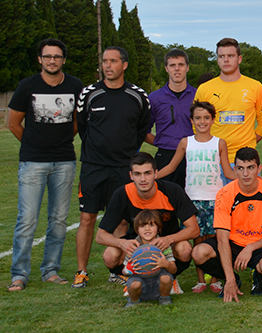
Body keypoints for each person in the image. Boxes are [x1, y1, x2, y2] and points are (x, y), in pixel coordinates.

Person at [7, 38, 83, 291]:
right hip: (32, 162)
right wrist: (33, 145)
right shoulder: (27, 85)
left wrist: (60, 142)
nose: (52, 60)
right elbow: (14, 123)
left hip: (64, 161)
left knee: (59, 220)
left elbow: (76, 123)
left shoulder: (75, 85)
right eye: (48, 56)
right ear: (40, 59)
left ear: (63, 60)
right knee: (27, 219)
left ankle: (50, 270)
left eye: (57, 56)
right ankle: (19, 274)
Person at [73, 46, 151, 288]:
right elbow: (83, 128)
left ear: (124, 65)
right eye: (105, 61)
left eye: (113, 61)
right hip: (93, 168)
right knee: (87, 218)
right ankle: (82, 271)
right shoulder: (89, 93)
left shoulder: (138, 96)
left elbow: (141, 130)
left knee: (123, 221)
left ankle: (116, 269)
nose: (108, 66)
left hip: (123, 168)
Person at [157, 101, 236, 293]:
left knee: (214, 239)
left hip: (215, 199)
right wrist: (153, 176)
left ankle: (215, 279)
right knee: (197, 239)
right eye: (198, 118)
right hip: (192, 199)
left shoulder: (219, 143)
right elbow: (171, 167)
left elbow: (227, 171)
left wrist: (248, 177)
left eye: (206, 118)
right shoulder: (186, 143)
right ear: (192, 121)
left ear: (212, 120)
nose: (202, 122)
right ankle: (201, 281)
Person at [94, 152, 199, 293]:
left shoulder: (172, 190)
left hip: (167, 243)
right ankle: (133, 277)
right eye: (137, 174)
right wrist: (122, 243)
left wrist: (169, 239)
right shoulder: (122, 193)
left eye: (147, 173)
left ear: (156, 174)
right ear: (131, 176)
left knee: (185, 249)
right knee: (110, 255)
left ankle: (171, 277)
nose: (143, 179)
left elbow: (194, 229)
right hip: (137, 242)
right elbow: (100, 236)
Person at [192, 148, 262, 303]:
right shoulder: (224, 194)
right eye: (240, 168)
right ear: (235, 170)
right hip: (232, 243)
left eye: (250, 168)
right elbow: (222, 239)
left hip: (260, 245)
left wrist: (251, 247)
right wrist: (229, 280)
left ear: (259, 169)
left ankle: (259, 276)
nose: (246, 174)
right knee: (199, 253)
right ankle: (232, 278)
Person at [194, 38, 262, 185]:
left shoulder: (255, 87)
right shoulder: (205, 89)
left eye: (230, 56)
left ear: (239, 59)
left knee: (244, 206)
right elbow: (196, 124)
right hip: (213, 161)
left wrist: (250, 140)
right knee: (216, 207)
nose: (226, 60)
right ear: (217, 59)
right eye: (221, 56)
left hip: (244, 161)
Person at [146, 49, 196, 189]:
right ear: (166, 68)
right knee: (165, 203)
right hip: (165, 156)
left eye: (180, 64)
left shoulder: (199, 96)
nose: (177, 69)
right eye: (172, 65)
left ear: (187, 67)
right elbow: (144, 130)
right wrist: (162, 142)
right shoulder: (154, 98)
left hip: (193, 156)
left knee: (193, 202)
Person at [122, 210, 177, 308]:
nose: (147, 229)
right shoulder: (133, 247)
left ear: (158, 228)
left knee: (166, 278)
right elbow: (124, 271)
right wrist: (128, 269)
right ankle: (133, 300)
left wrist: (166, 264)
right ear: (136, 229)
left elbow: (174, 269)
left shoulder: (163, 245)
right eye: (142, 226)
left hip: (157, 280)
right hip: (140, 279)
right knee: (134, 284)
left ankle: (164, 298)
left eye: (151, 225)